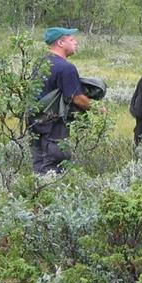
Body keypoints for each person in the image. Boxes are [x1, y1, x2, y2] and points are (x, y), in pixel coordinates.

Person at [29, 27, 94, 174]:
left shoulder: (40, 63)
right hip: (55, 127)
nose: (76, 42)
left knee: (39, 166)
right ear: (60, 43)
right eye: (71, 39)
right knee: (55, 166)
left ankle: (38, 193)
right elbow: (76, 98)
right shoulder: (66, 68)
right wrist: (96, 108)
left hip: (35, 124)